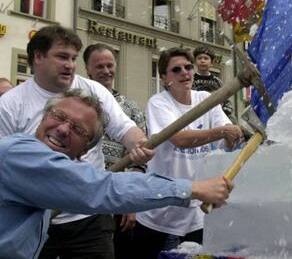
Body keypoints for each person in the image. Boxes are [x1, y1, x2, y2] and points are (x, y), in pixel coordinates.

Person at [0, 89, 233, 259]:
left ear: (84, 151)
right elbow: (102, 188)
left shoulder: (43, 177)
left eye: (78, 129)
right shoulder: (18, 153)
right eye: (59, 117)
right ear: (43, 117)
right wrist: (193, 188)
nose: (62, 129)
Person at [0, 25, 154, 258]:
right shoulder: (11, 104)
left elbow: (124, 128)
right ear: (38, 57)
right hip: (37, 220)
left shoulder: (93, 91)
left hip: (90, 218)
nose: (70, 64)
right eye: (62, 57)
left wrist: (138, 144)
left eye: (73, 58)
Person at [133, 47, 243, 258]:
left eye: (188, 67)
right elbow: (179, 139)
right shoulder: (158, 103)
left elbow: (227, 142)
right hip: (160, 206)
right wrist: (223, 131)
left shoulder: (206, 98)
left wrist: (233, 136)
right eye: (176, 69)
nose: (185, 72)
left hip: (197, 208)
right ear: (165, 78)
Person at [83, 43, 146, 258]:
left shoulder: (130, 108)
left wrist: (132, 202)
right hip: (83, 195)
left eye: (110, 65)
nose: (106, 71)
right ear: (87, 69)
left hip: (119, 196)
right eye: (99, 66)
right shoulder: (75, 105)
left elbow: (140, 161)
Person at [192, 46, 234, 120]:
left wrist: (220, 112)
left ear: (212, 63)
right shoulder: (191, 80)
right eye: (199, 58)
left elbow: (227, 103)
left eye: (206, 58)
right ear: (195, 62)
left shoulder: (217, 81)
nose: (202, 61)